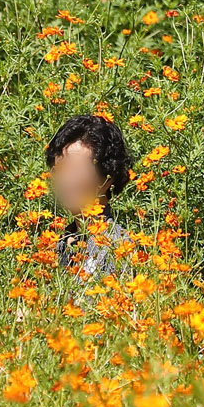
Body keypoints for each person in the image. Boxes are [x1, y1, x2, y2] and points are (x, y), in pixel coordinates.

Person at [45, 113, 134, 281]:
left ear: (108, 179)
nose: (66, 180)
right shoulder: (58, 243)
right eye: (60, 169)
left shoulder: (117, 247)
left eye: (76, 170)